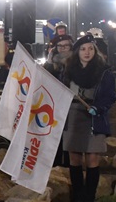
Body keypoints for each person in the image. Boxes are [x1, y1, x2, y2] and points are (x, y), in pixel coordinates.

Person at [62, 34, 116, 202]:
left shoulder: (104, 71)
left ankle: (89, 197)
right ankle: (77, 196)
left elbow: (110, 96)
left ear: (95, 51)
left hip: (94, 118)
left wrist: (98, 108)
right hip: (73, 116)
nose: (87, 52)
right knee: (75, 159)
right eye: (83, 49)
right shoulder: (68, 70)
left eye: (90, 49)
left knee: (92, 158)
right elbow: (60, 90)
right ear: (77, 52)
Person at [46, 34, 75, 168]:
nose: (63, 48)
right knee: (55, 134)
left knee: (69, 134)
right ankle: (55, 164)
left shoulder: (76, 63)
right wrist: (50, 63)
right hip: (55, 103)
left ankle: (69, 164)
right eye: (60, 46)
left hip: (71, 104)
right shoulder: (52, 64)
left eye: (66, 45)